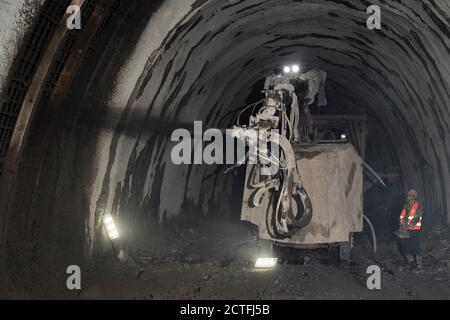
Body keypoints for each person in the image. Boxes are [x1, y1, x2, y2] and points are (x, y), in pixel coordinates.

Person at [396, 189, 423, 268]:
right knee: (404, 244)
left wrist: (409, 225)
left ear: (414, 197)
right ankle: (410, 261)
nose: (408, 198)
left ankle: (419, 263)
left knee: (415, 245)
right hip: (405, 229)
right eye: (408, 196)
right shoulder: (406, 206)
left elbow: (417, 217)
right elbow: (402, 216)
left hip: (414, 229)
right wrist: (402, 226)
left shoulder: (418, 206)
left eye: (410, 196)